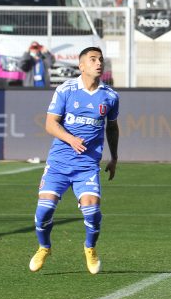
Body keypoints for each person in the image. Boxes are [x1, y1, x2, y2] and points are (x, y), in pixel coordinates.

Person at [28, 47, 119, 275]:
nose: (99, 63)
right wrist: (70, 139)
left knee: (92, 211)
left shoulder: (110, 96)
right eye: (93, 59)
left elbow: (112, 127)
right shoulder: (65, 90)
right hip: (59, 163)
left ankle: (90, 248)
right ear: (81, 66)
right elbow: (50, 124)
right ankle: (44, 247)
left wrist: (114, 157)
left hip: (87, 166)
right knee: (44, 211)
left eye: (100, 59)